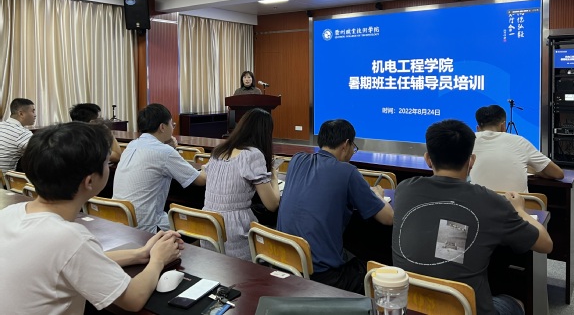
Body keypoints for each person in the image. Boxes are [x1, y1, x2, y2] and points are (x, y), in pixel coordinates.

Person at [0, 122, 185, 314]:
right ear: (89, 181)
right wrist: (158, 261)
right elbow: (133, 298)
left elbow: (72, 261)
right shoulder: (70, 238)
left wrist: (140, 254)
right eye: (106, 162)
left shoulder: (10, 213)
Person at [392, 119, 553, 315]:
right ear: (472, 161)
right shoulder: (491, 202)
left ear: (427, 159)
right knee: (515, 303)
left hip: (409, 305)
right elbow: (546, 245)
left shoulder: (405, 189)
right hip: (466, 309)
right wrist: (520, 210)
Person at [277, 119, 393, 294]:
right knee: (377, 271)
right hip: (321, 275)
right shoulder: (347, 172)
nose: (353, 152)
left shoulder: (297, 160)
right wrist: (378, 196)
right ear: (346, 144)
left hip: (284, 263)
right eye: (354, 147)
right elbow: (388, 218)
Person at [113, 103, 206, 233]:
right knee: (195, 227)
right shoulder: (165, 151)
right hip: (144, 228)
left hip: (118, 221)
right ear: (162, 127)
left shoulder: (132, 145)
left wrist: (169, 148)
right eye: (172, 124)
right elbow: (200, 180)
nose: (173, 129)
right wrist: (209, 167)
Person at [202, 108, 280, 260]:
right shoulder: (252, 155)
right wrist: (274, 178)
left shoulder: (219, 151)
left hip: (208, 226)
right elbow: (272, 204)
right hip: (234, 231)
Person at [470, 105, 564, 192]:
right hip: (516, 204)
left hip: (477, 203)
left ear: (478, 128)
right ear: (503, 126)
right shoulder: (519, 141)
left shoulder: (468, 140)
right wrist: (533, 170)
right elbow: (558, 174)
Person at [0, 98, 36, 172]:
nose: (35, 115)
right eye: (33, 111)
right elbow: (42, 153)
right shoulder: (22, 133)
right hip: (3, 178)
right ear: (21, 114)